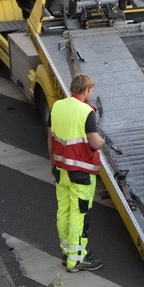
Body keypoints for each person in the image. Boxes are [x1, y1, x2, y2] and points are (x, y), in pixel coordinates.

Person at [48, 74, 106, 272]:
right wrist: (102, 141)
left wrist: (52, 163)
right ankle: (76, 261)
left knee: (63, 212)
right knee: (79, 216)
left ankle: (67, 253)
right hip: (81, 173)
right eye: (91, 90)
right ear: (86, 90)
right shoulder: (86, 112)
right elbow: (94, 142)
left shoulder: (57, 106)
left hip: (60, 170)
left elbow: (51, 137)